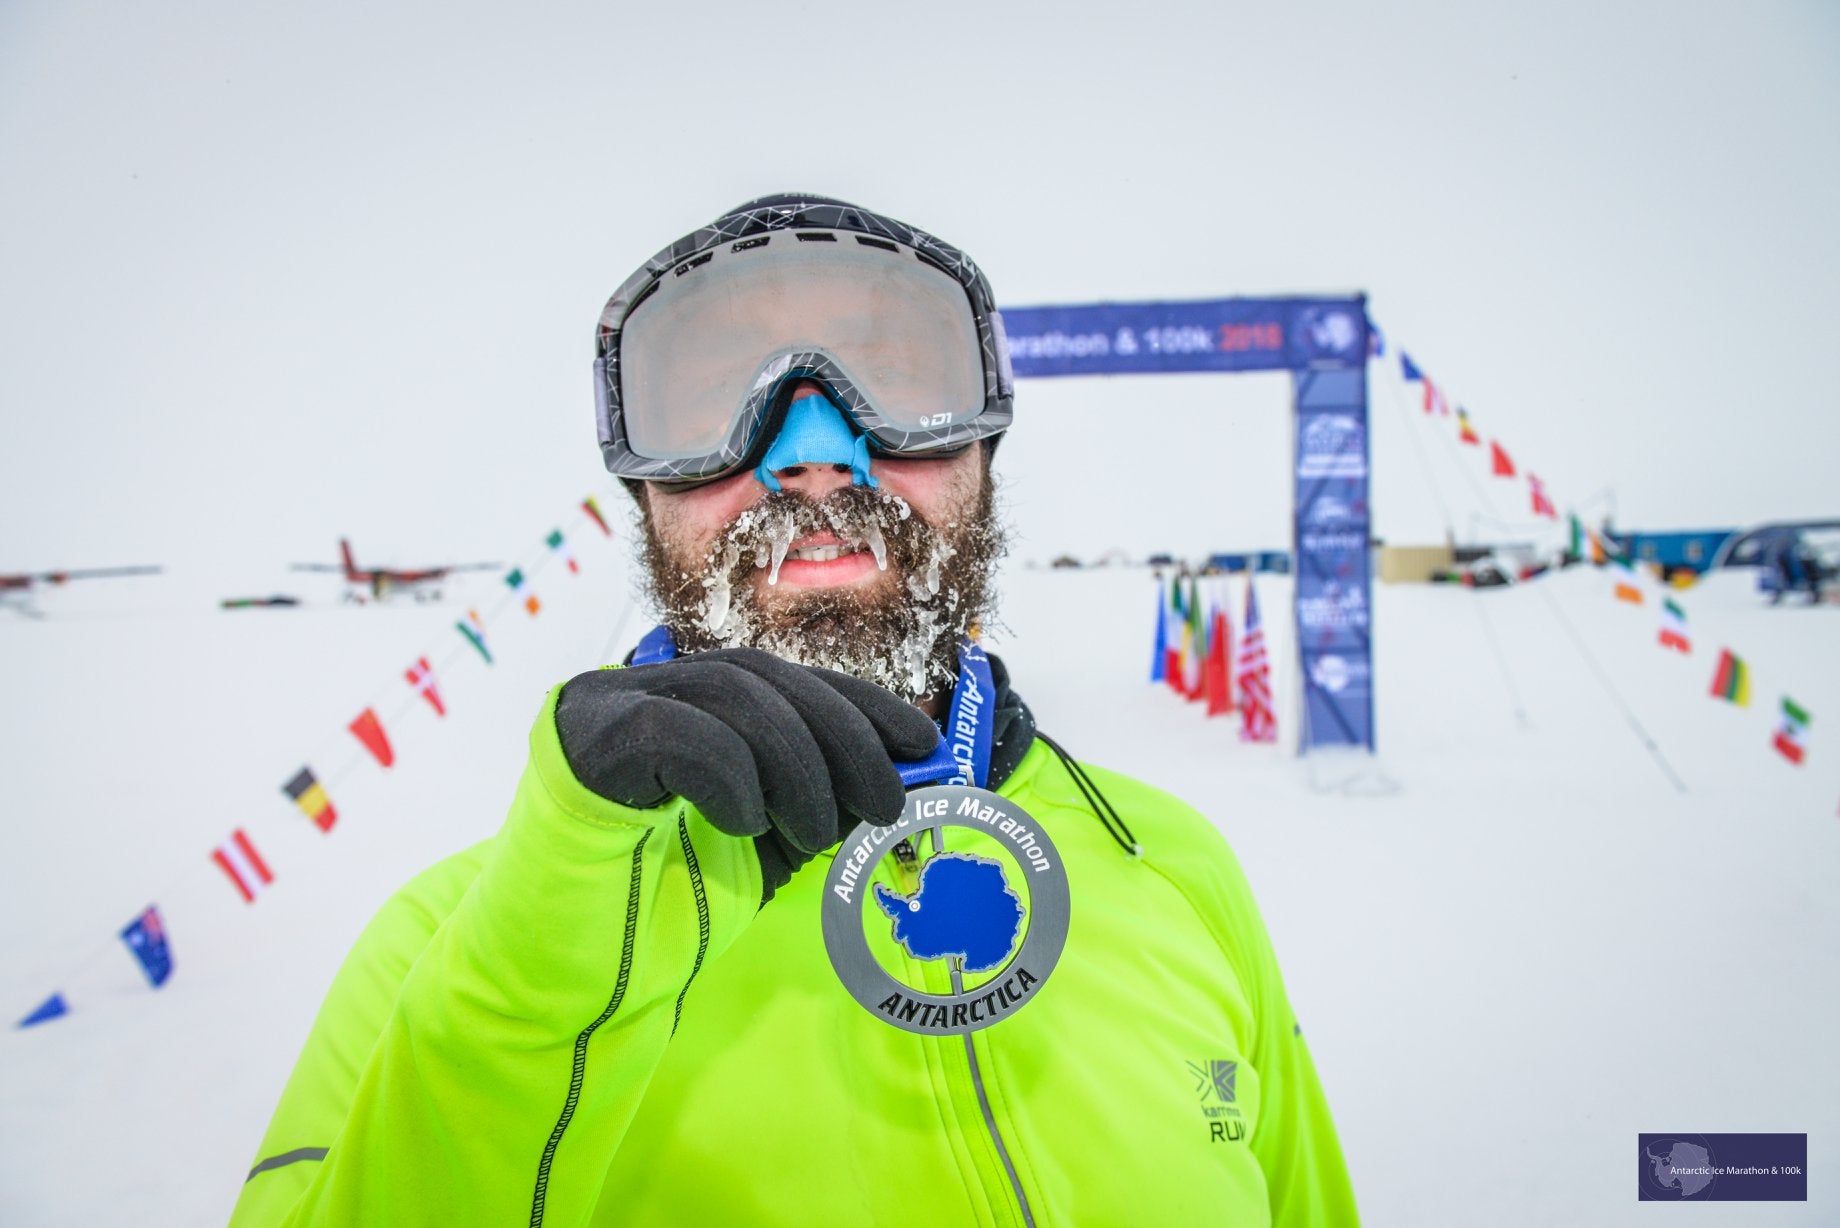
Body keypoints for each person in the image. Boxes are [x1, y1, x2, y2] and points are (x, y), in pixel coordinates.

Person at [230, 195, 1358, 1226]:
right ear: (641, 491)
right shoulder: (454, 950)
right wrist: (534, 991)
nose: (816, 458)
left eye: (902, 382)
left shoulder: (1174, 867)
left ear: (983, 451)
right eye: (713, 399)